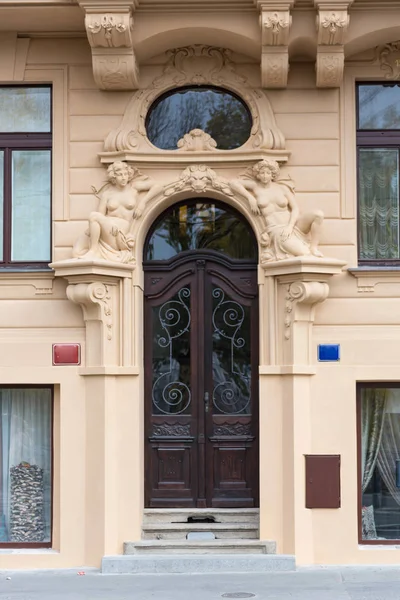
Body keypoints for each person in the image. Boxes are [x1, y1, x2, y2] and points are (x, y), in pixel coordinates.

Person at [230, 159, 324, 261]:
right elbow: (233, 183)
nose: (265, 175)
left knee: (318, 214)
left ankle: (314, 247)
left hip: (293, 225)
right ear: (258, 175)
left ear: (272, 174)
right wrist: (250, 197)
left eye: (268, 173)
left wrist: (290, 226)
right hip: (276, 229)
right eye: (262, 173)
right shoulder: (255, 187)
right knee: (303, 253)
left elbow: (295, 208)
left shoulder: (282, 188)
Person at [72, 161, 162, 263]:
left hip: (121, 230)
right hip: (108, 229)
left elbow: (158, 186)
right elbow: (101, 215)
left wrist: (142, 204)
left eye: (125, 174)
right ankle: (94, 249)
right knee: (76, 253)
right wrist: (107, 224)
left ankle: (93, 250)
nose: (123, 177)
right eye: (120, 175)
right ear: (114, 177)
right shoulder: (107, 194)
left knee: (93, 216)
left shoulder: (134, 188)